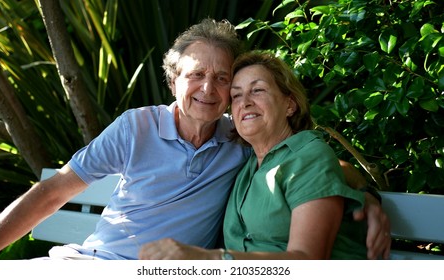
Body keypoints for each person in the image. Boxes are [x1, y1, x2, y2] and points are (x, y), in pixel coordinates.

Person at [0, 19, 390, 260]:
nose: (208, 89)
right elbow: (53, 191)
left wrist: (366, 198)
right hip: (92, 261)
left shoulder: (239, 136)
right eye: (196, 74)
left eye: (222, 78)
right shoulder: (136, 126)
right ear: (174, 79)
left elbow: (311, 166)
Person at [138, 51, 389, 260]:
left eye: (257, 90)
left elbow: (308, 260)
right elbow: (335, 167)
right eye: (236, 95)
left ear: (289, 105)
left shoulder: (309, 155)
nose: (245, 102)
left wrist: (212, 259)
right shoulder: (244, 161)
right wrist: (366, 192)